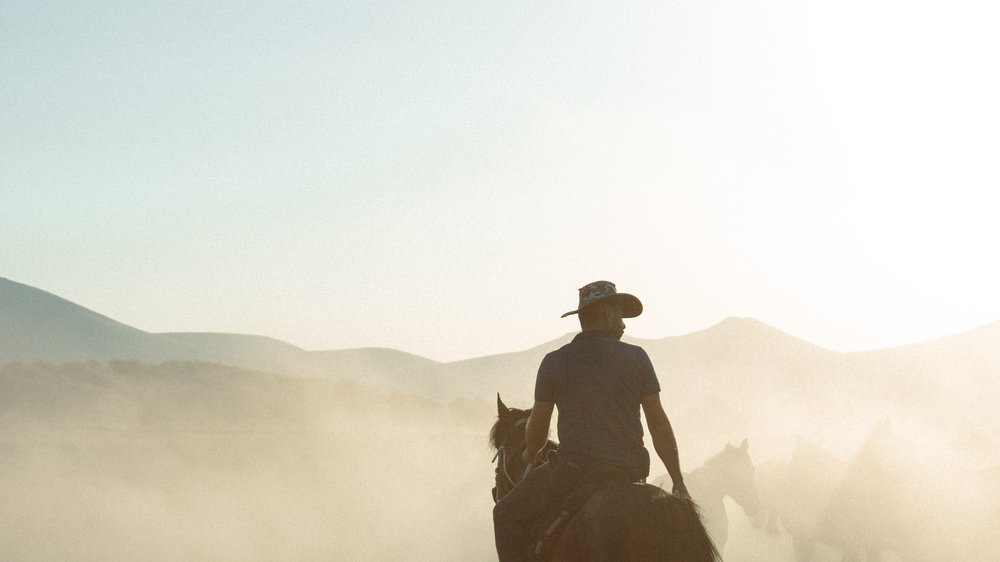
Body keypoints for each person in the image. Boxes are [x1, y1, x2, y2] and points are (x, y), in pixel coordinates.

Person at [493, 280, 690, 561]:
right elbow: (658, 425)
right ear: (608, 313)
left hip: (573, 474)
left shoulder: (554, 362)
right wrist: (677, 480)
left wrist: (531, 450)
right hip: (629, 475)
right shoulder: (638, 358)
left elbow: (536, 434)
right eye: (621, 315)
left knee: (504, 515)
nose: (624, 325)